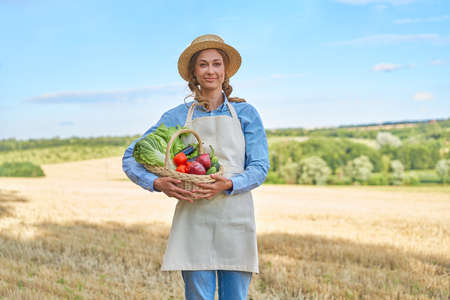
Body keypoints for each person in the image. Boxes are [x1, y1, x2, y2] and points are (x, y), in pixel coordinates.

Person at [122, 34, 269, 300]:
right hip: (194, 218)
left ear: (225, 71)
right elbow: (131, 156)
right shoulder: (178, 116)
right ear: (194, 72)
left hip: (235, 215)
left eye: (216, 64)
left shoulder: (247, 114)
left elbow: (260, 167)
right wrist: (156, 183)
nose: (210, 71)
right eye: (203, 64)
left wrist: (230, 183)